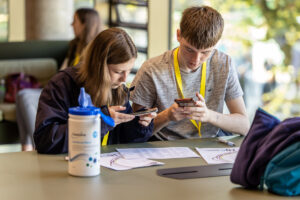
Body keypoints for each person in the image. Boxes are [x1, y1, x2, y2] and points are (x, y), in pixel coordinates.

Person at [130, 6, 250, 141]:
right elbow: (135, 132)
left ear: (216, 44)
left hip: (209, 145)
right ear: (178, 35)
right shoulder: (152, 69)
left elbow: (244, 126)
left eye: (205, 52)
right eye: (189, 49)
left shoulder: (223, 63)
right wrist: (167, 116)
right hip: (163, 145)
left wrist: (209, 115)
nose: (196, 60)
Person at [34, 28, 156, 154]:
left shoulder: (118, 89)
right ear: (98, 67)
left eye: (129, 71)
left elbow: (124, 139)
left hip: (107, 165)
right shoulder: (62, 84)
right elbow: (45, 140)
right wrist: (99, 121)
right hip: (69, 165)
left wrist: (140, 125)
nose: (124, 79)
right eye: (118, 72)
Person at [16, 8, 101, 151]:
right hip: (59, 88)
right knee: (21, 95)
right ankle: (27, 145)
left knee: (24, 96)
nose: (71, 25)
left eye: (74, 21)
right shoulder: (74, 45)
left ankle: (37, 143)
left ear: (84, 24)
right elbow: (62, 71)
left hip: (70, 94)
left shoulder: (93, 51)